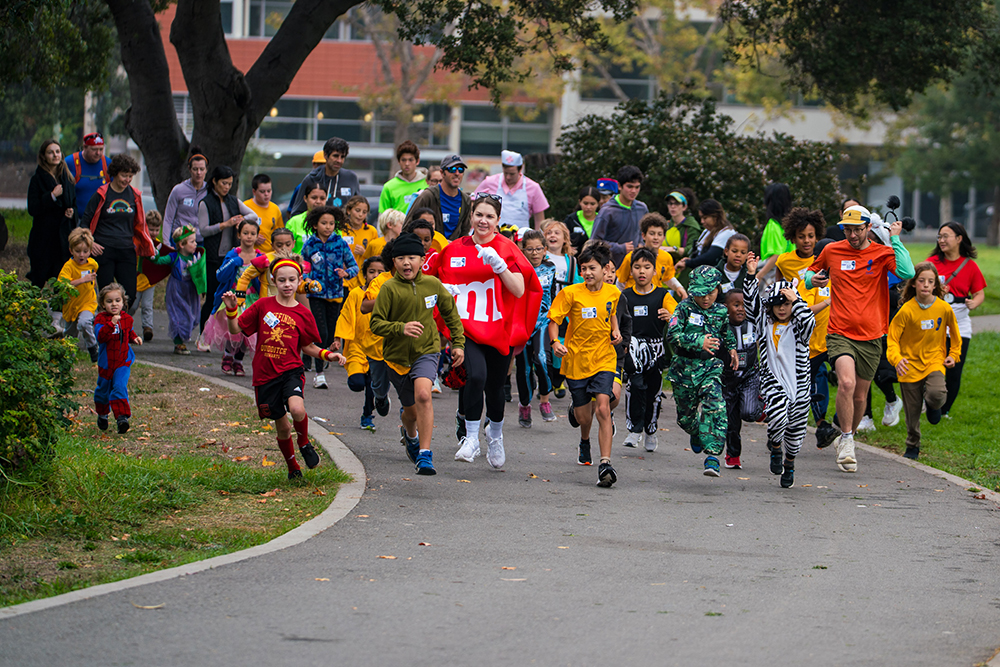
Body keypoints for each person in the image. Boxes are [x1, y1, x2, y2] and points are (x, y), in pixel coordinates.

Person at [806, 205, 914, 473]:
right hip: (840, 331)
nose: (852, 235)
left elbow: (908, 272)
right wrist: (814, 280)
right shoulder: (832, 250)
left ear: (868, 228)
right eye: (848, 229)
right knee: (846, 383)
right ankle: (847, 439)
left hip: (872, 335)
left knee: (860, 396)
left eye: (857, 229)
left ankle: (847, 437)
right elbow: (809, 274)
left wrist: (896, 239)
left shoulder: (881, 253)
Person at [441, 195, 541, 469]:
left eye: (489, 216)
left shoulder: (508, 248)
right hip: (467, 330)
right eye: (479, 214)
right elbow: (440, 281)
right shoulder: (454, 249)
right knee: (476, 377)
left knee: (496, 387)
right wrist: (444, 293)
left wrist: (499, 266)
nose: (483, 221)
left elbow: (521, 289)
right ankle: (471, 437)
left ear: (497, 221)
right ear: (471, 215)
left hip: (500, 329)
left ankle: (494, 435)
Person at [222, 257, 346, 480]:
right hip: (265, 375)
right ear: (273, 281)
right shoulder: (262, 306)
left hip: (291, 371)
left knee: (297, 410)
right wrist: (232, 310)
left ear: (300, 280)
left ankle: (305, 442)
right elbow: (235, 329)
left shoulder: (303, 313)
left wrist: (329, 354)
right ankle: (292, 468)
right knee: (282, 428)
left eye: (292, 280)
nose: (287, 284)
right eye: (282, 280)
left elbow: (308, 346)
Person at [370, 233, 466, 475]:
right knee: (410, 412)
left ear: (422, 260)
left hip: (427, 350)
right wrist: (400, 328)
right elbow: (376, 324)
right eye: (400, 258)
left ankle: (425, 454)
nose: (406, 263)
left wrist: (458, 343)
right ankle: (410, 436)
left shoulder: (433, 285)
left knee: (424, 395)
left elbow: (451, 314)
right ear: (393, 262)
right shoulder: (389, 288)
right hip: (396, 358)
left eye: (411, 257)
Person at [548, 241, 622, 487]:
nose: (587, 273)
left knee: (603, 408)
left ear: (605, 269)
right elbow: (554, 320)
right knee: (583, 416)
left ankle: (605, 463)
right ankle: (584, 439)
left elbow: (610, 312)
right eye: (583, 269)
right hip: (576, 359)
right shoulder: (570, 293)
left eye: (592, 268)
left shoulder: (613, 292)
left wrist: (616, 330)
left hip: (604, 357)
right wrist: (555, 342)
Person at [665, 265, 738, 477]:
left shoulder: (721, 311)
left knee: (715, 405)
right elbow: (672, 334)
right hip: (684, 370)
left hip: (710, 368)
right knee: (685, 420)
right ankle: (696, 433)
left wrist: (731, 348)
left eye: (710, 293)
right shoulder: (684, 309)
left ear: (718, 289)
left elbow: (726, 332)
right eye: (700, 294)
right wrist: (699, 341)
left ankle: (713, 457)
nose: (706, 298)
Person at [773, 208, 837, 448]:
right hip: (804, 330)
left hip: (831, 327)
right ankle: (818, 425)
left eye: (811, 236)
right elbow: (778, 297)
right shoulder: (784, 261)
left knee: (843, 374)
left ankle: (836, 421)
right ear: (793, 237)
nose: (807, 241)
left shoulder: (827, 256)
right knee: (809, 379)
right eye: (802, 236)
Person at [887, 262, 961, 461]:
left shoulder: (944, 309)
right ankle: (912, 446)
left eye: (930, 281)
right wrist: (897, 359)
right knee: (912, 411)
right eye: (922, 281)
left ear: (936, 284)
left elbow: (955, 336)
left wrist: (953, 355)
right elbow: (892, 339)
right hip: (909, 366)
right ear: (913, 284)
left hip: (934, 361)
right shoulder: (906, 311)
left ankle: (934, 406)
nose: (926, 285)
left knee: (937, 393)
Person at [757, 278, 816, 489]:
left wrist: (797, 300)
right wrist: (751, 276)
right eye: (777, 304)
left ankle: (789, 463)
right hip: (773, 381)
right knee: (777, 417)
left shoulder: (800, 329)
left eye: (787, 304)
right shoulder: (764, 324)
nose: (782, 308)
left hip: (799, 384)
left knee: (796, 430)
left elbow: (810, 322)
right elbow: (751, 305)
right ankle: (775, 446)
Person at [927, 221, 987, 418]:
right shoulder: (932, 263)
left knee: (954, 370)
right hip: (935, 323)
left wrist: (974, 303)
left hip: (960, 324)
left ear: (959, 239)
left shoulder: (969, 266)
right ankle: (930, 402)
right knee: (933, 367)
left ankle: (944, 411)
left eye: (946, 236)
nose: (941, 240)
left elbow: (979, 293)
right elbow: (919, 288)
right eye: (939, 236)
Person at [80, 153, 155, 308]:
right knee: (107, 296)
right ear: (114, 173)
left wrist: (146, 246)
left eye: (130, 176)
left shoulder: (134, 195)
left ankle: (120, 328)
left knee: (130, 296)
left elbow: (140, 224)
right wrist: (91, 243)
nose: (126, 180)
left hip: (126, 250)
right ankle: (107, 329)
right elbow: (85, 223)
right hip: (103, 251)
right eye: (123, 175)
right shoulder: (101, 194)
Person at [621, 247, 676, 452]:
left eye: (646, 267)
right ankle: (634, 430)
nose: (641, 271)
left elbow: (678, 316)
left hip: (656, 351)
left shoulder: (663, 295)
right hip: (632, 350)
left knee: (653, 393)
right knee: (634, 388)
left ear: (655, 271)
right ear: (631, 271)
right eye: (636, 267)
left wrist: (670, 318)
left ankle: (650, 430)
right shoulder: (625, 296)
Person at [197, 165, 260, 339]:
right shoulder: (206, 202)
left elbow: (253, 216)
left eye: (229, 184)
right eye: (224, 183)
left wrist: (240, 220)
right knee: (212, 297)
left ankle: (231, 335)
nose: (226, 187)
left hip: (232, 256)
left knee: (232, 297)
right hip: (212, 256)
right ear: (215, 182)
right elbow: (203, 230)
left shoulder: (234, 201)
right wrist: (225, 224)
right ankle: (204, 335)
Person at [301, 205, 358, 389]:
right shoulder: (310, 244)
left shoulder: (340, 243)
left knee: (331, 335)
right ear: (315, 225)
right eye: (324, 223)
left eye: (331, 223)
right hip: (316, 294)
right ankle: (319, 374)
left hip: (336, 294)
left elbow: (354, 267)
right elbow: (302, 267)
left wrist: (346, 273)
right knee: (321, 332)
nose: (328, 227)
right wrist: (307, 279)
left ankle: (318, 355)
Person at [719, 255, 764, 470]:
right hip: (727, 381)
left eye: (743, 305)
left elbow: (754, 298)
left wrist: (751, 274)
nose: (740, 309)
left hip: (748, 377)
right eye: (735, 305)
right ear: (725, 307)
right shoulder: (721, 327)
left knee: (748, 413)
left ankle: (760, 407)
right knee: (731, 422)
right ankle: (733, 456)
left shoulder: (754, 324)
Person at [203, 219, 264, 376]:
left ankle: (238, 361)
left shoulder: (260, 257)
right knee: (233, 330)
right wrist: (234, 262)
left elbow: (265, 280)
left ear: (257, 236)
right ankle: (228, 357)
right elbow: (220, 276)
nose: (249, 237)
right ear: (239, 235)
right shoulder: (233, 254)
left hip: (252, 299)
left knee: (248, 332)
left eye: (252, 234)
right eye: (245, 233)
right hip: (233, 298)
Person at [335, 255, 387, 431]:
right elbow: (346, 315)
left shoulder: (388, 293)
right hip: (357, 346)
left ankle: (367, 415)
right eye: (372, 271)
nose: (375, 275)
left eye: (380, 272)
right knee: (357, 383)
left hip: (378, 346)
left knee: (372, 384)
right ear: (364, 274)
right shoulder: (356, 294)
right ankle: (373, 395)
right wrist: (337, 339)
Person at [515, 230, 557, 428]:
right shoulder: (518, 269)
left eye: (538, 249)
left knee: (541, 359)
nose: (534, 253)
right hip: (522, 323)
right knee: (523, 369)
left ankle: (544, 399)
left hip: (542, 322)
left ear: (545, 250)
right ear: (523, 250)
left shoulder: (551, 268)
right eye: (530, 249)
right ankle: (524, 405)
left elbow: (555, 294)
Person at [93, 282, 142, 434]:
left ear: (123, 302)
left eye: (117, 300)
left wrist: (134, 338)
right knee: (103, 391)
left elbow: (128, 331)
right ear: (102, 304)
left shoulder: (127, 319)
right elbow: (100, 337)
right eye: (109, 301)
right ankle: (102, 414)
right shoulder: (100, 319)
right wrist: (110, 323)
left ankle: (122, 418)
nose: (114, 304)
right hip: (106, 363)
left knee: (120, 386)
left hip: (123, 360)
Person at [27, 139, 77, 288]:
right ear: (43, 156)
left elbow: (73, 202)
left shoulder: (67, 178)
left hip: (62, 239)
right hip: (43, 238)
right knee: (39, 278)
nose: (55, 155)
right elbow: (33, 208)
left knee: (60, 280)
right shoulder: (37, 180)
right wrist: (51, 196)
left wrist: (71, 211)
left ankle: (58, 311)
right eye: (50, 152)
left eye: (57, 151)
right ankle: (34, 308)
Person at [150, 225, 206, 355]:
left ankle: (182, 338)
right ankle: (178, 343)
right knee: (178, 316)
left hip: (191, 291)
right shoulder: (174, 257)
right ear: (181, 244)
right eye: (192, 242)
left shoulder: (196, 257)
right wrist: (153, 255)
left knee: (194, 316)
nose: (195, 244)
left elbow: (201, 275)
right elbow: (159, 261)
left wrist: (202, 287)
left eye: (195, 241)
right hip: (177, 291)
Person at [615, 212, 687, 299]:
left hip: (654, 300)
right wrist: (620, 302)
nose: (656, 237)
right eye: (652, 234)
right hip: (633, 301)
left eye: (659, 234)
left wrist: (679, 288)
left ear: (664, 237)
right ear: (643, 235)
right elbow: (620, 282)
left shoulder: (666, 257)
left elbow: (668, 277)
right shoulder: (631, 257)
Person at [473, 150, 549, 229]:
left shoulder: (533, 187)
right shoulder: (489, 182)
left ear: (520, 170)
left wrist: (538, 239)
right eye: (506, 173)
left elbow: (539, 219)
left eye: (512, 174)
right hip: (494, 235)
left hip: (521, 238)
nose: (508, 177)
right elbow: (473, 202)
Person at [590, 165, 647, 267]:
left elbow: (643, 235)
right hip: (610, 271)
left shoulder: (642, 208)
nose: (634, 191)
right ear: (619, 186)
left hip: (634, 270)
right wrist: (620, 248)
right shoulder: (607, 211)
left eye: (637, 187)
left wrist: (641, 244)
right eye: (630, 186)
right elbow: (594, 243)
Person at [289, 137, 362, 216]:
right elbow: (297, 212)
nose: (339, 160)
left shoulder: (351, 178)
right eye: (335, 156)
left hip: (344, 227)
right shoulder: (312, 178)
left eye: (342, 157)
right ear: (325, 155)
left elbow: (359, 208)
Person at [406, 155, 471, 241]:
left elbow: (465, 234)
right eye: (452, 169)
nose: (457, 173)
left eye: (461, 170)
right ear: (442, 172)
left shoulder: (465, 200)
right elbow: (407, 227)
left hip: (453, 252)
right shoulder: (428, 196)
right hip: (429, 251)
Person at [58, 228, 100, 362]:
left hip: (88, 302)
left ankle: (93, 348)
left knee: (84, 323)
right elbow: (62, 284)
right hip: (71, 306)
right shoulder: (68, 267)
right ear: (71, 250)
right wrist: (83, 280)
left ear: (90, 251)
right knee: (70, 335)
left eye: (85, 251)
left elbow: (93, 279)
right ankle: (68, 360)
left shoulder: (93, 263)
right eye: (78, 251)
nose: (82, 255)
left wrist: (93, 287)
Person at [674, 199, 737, 274]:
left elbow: (710, 257)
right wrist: (690, 260)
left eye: (705, 218)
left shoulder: (726, 233)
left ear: (715, 217)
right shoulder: (707, 231)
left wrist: (688, 263)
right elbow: (700, 254)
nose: (702, 221)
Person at [133, 210, 167, 342]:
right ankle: (125, 324)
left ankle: (148, 327)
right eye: (151, 229)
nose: (153, 232)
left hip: (149, 280)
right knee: (133, 305)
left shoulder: (157, 245)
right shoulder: (140, 241)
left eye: (156, 229)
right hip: (137, 278)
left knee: (147, 305)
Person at [163, 150, 209, 242]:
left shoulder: (210, 191)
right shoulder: (178, 190)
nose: (198, 173)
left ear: (206, 170)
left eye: (202, 169)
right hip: (180, 239)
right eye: (195, 169)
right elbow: (168, 219)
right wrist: (166, 243)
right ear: (189, 169)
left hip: (200, 240)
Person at [65, 132, 111, 216]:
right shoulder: (70, 162)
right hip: (77, 219)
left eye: (101, 149)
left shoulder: (107, 164)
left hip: (101, 220)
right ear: (85, 147)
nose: (98, 153)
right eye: (94, 149)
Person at [757, 183, 794, 279]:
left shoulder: (773, 225)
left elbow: (776, 255)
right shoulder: (791, 225)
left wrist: (759, 275)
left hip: (774, 273)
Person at [380, 140, 428, 214]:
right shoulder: (389, 187)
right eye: (403, 160)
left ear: (417, 161)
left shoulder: (427, 184)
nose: (407, 164)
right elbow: (382, 217)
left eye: (410, 160)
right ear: (399, 161)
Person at [244, 174, 283, 253]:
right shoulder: (245, 207)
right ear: (254, 191)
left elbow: (279, 233)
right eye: (262, 191)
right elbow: (238, 231)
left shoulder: (275, 209)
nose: (266, 194)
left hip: (269, 255)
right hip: (250, 254)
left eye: (269, 191)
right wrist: (253, 237)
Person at [286, 183, 328, 254]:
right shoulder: (294, 222)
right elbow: (286, 252)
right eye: (314, 198)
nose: (318, 202)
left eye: (322, 198)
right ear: (305, 199)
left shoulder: (334, 222)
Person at [663, 189, 701, 264]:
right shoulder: (665, 224)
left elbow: (692, 250)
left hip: (684, 268)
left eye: (677, 203)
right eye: (670, 203)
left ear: (684, 207)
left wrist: (673, 249)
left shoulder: (692, 226)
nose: (673, 206)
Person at [341, 194, 379, 269]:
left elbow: (376, 257)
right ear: (348, 211)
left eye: (364, 212)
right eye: (357, 211)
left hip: (362, 277)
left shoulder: (371, 231)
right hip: (344, 277)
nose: (360, 215)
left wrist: (365, 253)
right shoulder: (340, 230)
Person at [564, 187, 601, 256]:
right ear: (580, 202)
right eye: (585, 203)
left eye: (592, 204)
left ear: (598, 204)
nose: (588, 207)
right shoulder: (571, 220)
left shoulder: (603, 220)